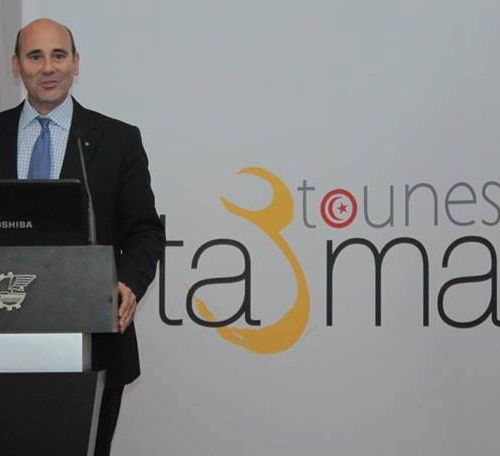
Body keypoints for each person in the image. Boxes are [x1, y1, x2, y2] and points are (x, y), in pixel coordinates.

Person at [0, 18, 165, 455]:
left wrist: (126, 283)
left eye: (58, 55)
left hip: (94, 341)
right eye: (35, 56)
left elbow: (145, 229)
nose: (48, 67)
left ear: (76, 63)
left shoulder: (118, 139)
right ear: (16, 66)